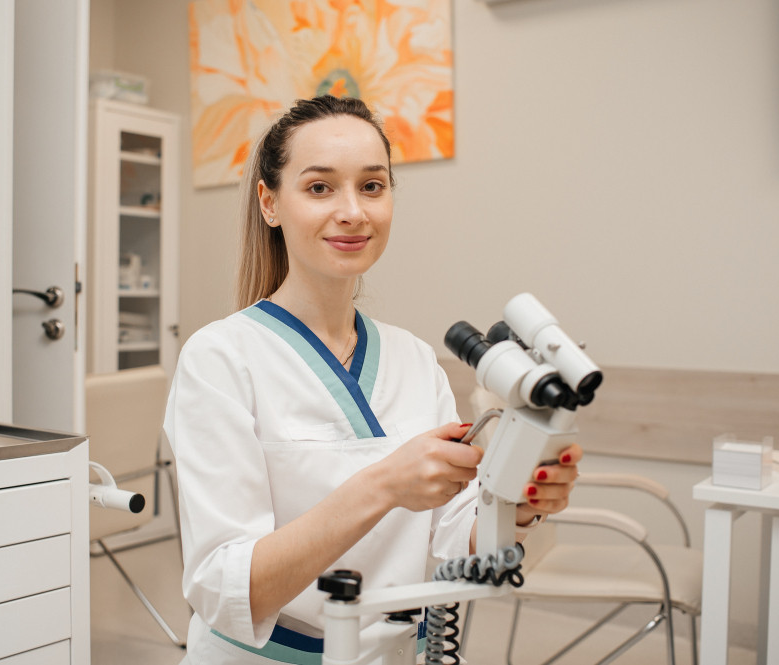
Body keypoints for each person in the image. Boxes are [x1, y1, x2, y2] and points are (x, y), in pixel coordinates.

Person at [165, 95, 582, 664]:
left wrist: (520, 501)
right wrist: (383, 485)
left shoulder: (414, 359)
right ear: (270, 203)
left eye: (372, 186)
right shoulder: (220, 358)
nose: (353, 211)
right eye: (319, 187)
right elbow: (226, 587)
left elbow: (452, 540)